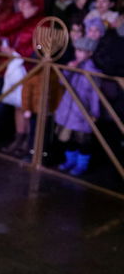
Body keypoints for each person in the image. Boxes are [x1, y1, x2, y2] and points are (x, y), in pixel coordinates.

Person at [0, 0, 44, 156]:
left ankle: (28, 141)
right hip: (15, 66)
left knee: (28, 105)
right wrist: (22, 17)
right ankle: (19, 137)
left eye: (27, 1)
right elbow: (3, 29)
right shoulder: (19, 18)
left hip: (30, 68)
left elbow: (40, 47)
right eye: (21, 1)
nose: (22, 5)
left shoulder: (42, 22)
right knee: (18, 105)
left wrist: (16, 52)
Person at [54, 37, 101, 176]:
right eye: (77, 50)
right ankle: (70, 161)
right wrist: (68, 69)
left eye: (82, 51)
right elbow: (62, 82)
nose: (78, 54)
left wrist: (95, 113)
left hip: (82, 111)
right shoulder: (73, 65)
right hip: (68, 108)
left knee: (83, 140)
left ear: (90, 53)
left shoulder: (93, 72)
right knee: (68, 137)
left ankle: (82, 165)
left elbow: (95, 95)